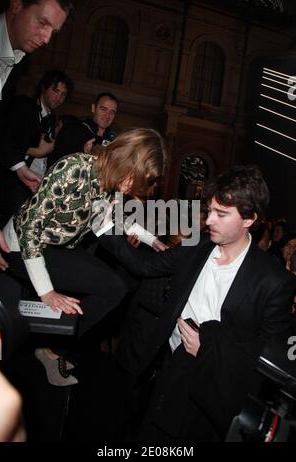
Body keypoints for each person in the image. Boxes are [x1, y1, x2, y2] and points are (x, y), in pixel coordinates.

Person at [105, 164, 295, 442]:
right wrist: (102, 225)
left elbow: (268, 358)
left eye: (222, 214)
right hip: (166, 372)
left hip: (211, 393)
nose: (209, 221)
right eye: (210, 210)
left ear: (249, 219)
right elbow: (144, 265)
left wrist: (208, 348)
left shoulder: (273, 281)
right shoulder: (197, 247)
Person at [1, 128, 167, 386]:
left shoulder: (109, 185)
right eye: (136, 180)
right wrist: (47, 292)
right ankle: (43, 343)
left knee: (115, 288)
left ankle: (51, 350)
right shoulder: (74, 167)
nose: (133, 188)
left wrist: (152, 239)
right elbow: (28, 227)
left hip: (57, 249)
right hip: (19, 248)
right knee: (110, 287)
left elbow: (112, 221)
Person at [0, 68, 74, 220]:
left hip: (34, 186)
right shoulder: (23, 105)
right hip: (13, 182)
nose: (59, 97)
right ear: (44, 87)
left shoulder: (53, 118)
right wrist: (37, 151)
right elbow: (4, 141)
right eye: (55, 90)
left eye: (63, 94)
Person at [0, 0, 73, 120]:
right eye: (43, 23)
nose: (47, 39)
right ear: (16, 5)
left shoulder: (22, 62)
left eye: (53, 32)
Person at [48, 92, 118, 166]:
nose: (107, 116)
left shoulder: (114, 141)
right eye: (103, 109)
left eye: (112, 112)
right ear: (93, 108)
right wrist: (83, 153)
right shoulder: (73, 129)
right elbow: (57, 161)